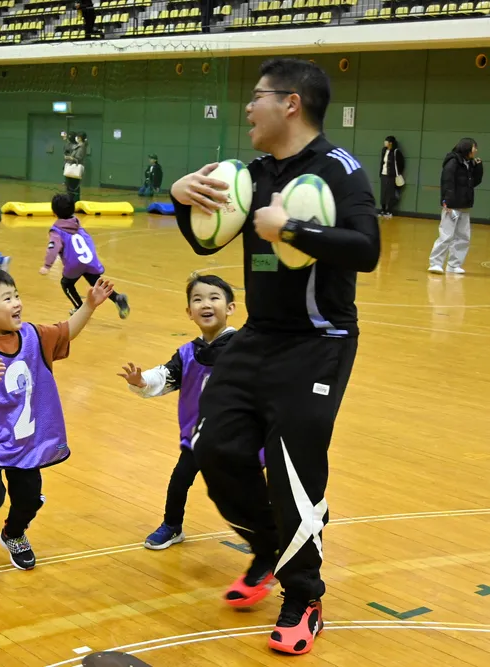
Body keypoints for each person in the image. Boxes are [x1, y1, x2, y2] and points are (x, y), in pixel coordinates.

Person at [169, 58, 379, 655]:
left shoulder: (341, 170)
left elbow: (366, 248)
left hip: (319, 344)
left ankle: (303, 595)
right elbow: (205, 236)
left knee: (293, 472)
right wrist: (182, 197)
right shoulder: (253, 172)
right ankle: (269, 543)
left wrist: (291, 231)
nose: (247, 108)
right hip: (258, 337)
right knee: (213, 449)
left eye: (257, 97)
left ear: (291, 103)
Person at [0, 268, 115, 592]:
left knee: (29, 499)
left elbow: (66, 331)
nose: (16, 303)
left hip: (26, 441)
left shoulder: (34, 336)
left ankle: (13, 533)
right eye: (7, 298)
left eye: (16, 295)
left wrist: (90, 306)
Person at [118, 274, 239, 550]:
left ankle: (268, 534)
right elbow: (165, 375)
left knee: (241, 492)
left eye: (214, 298)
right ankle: (172, 525)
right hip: (198, 437)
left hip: (235, 439)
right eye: (197, 299)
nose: (205, 304)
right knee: (179, 480)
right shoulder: (188, 353)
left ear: (230, 308)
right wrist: (142, 381)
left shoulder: (243, 347)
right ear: (189, 312)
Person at [40, 193, 129, 318]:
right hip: (89, 260)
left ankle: (79, 308)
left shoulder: (56, 230)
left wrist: (47, 265)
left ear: (54, 212)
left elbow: (53, 248)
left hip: (74, 264)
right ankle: (118, 298)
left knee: (66, 284)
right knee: (96, 282)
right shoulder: (76, 223)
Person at [429, 138, 482, 275]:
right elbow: (447, 181)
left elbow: (473, 183)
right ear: (467, 148)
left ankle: (454, 265)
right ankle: (436, 263)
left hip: (464, 205)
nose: (475, 150)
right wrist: (446, 201)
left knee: (463, 237)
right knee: (446, 235)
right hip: (452, 205)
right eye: (474, 147)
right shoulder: (453, 162)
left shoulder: (469, 163)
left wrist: (478, 168)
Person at [378, 136, 404, 219]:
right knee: (383, 193)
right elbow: (382, 162)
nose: (385, 142)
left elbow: (401, 164)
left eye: (386, 141)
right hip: (383, 174)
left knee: (390, 193)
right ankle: (382, 209)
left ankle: (389, 210)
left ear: (391, 143)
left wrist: (396, 172)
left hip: (391, 175)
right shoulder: (384, 150)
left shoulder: (396, 152)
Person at [62, 131, 86, 203]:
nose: (77, 138)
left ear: (80, 138)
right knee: (70, 185)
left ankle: (74, 201)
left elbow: (78, 158)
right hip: (72, 166)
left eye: (78, 137)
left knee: (74, 186)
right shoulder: (78, 145)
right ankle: (71, 200)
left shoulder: (81, 146)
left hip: (75, 167)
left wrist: (69, 158)